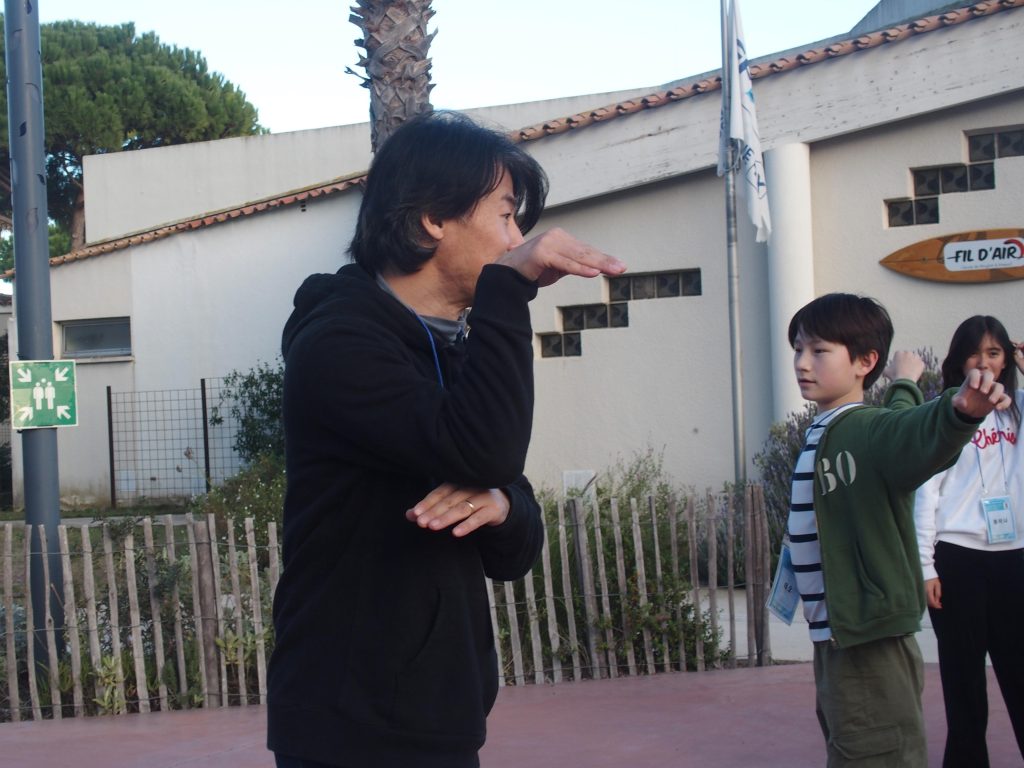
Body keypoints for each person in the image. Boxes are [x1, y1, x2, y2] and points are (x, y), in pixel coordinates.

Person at [266, 111, 626, 768]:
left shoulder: (450, 346)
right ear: (433, 217)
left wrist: (502, 505)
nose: (518, 240)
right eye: (506, 216)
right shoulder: (340, 345)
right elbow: (486, 452)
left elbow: (515, 544)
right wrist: (505, 291)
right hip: (350, 724)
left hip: (439, 714)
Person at [784, 293, 1011, 767]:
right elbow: (898, 420)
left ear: (865, 361)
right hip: (836, 636)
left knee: (877, 756)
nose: (802, 363)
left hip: (869, 641)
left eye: (819, 351)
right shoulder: (831, 429)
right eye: (799, 349)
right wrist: (904, 382)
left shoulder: (863, 430)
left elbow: (914, 431)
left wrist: (959, 412)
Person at [913, 315, 1024, 767]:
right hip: (957, 560)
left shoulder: (1019, 409)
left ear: (1007, 360)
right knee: (963, 685)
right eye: (974, 353)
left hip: (1015, 560)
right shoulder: (944, 411)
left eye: (994, 352)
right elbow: (925, 493)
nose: (984, 362)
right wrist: (925, 566)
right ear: (959, 361)